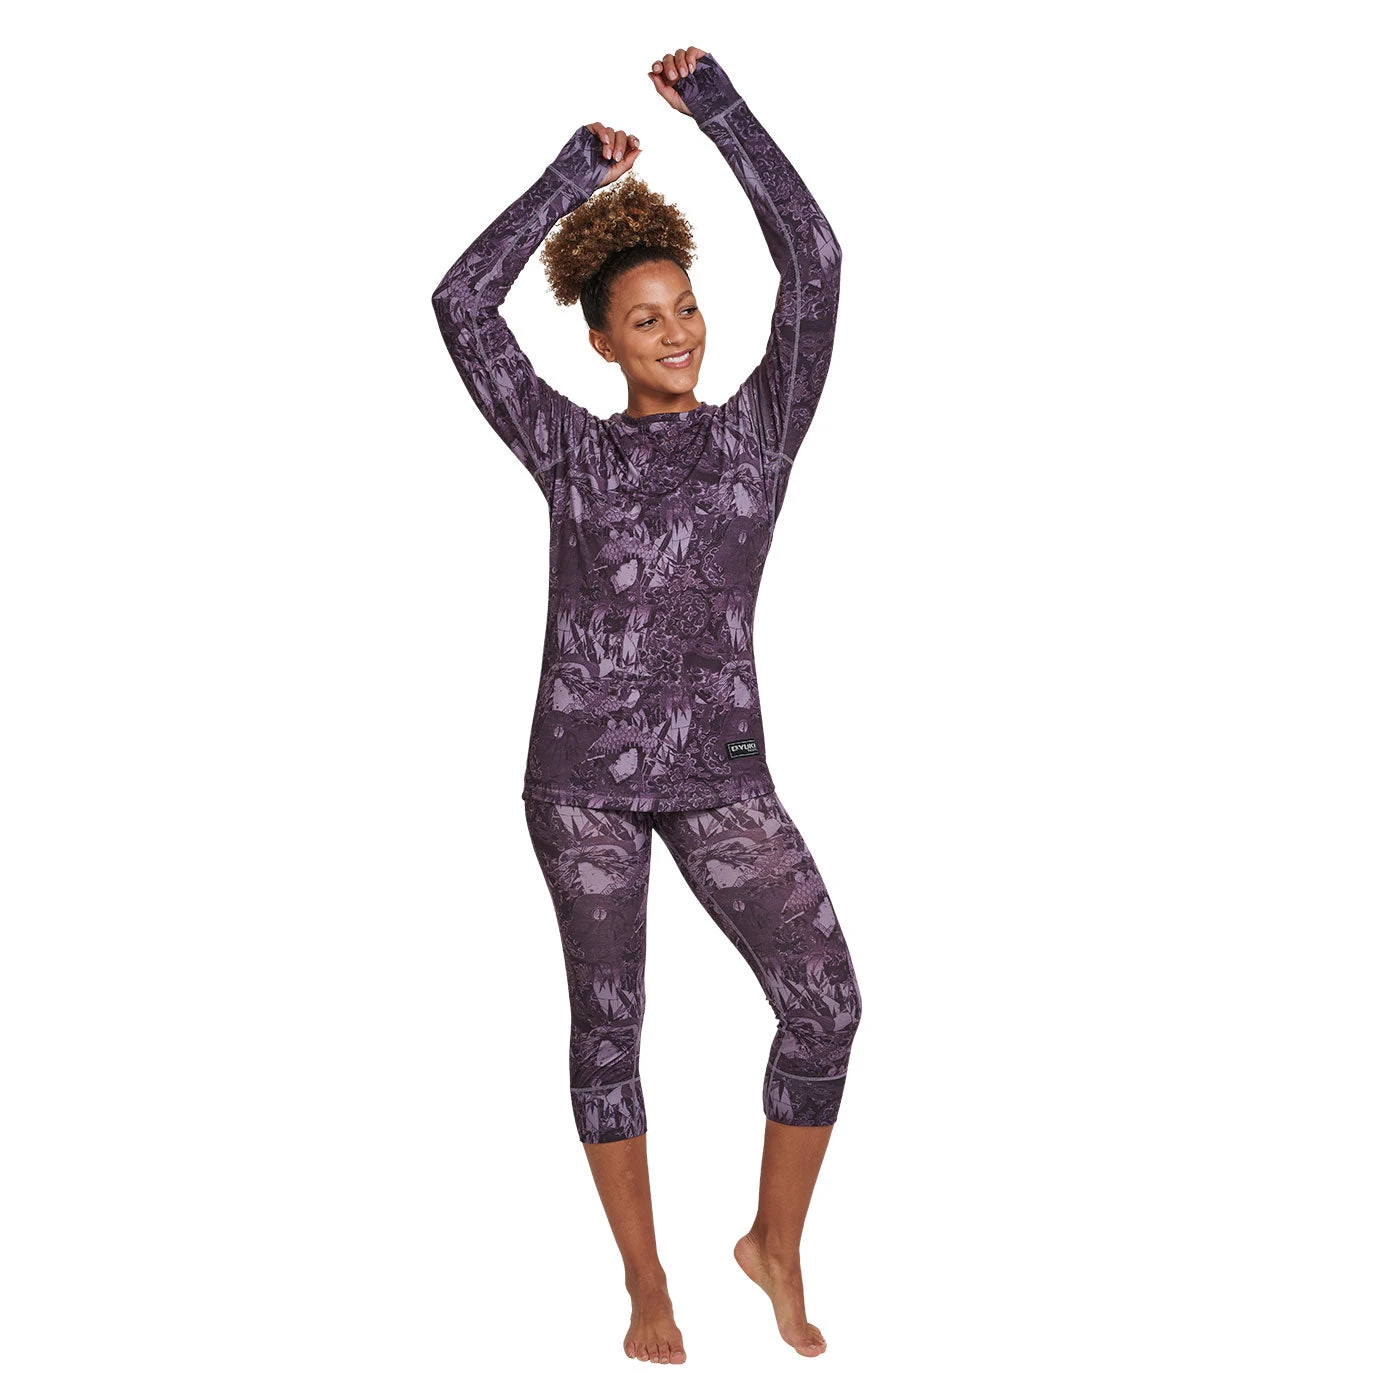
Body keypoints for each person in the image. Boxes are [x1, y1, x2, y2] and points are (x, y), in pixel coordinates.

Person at [431, 46, 860, 1363]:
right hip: (581, 784)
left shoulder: (757, 434)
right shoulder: (571, 448)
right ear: (604, 341)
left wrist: (719, 113)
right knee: (610, 1033)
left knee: (825, 1005)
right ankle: (645, 1283)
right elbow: (460, 304)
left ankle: (773, 1242)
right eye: (646, 319)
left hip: (722, 770)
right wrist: (572, 180)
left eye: (686, 309)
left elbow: (817, 264)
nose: (676, 333)